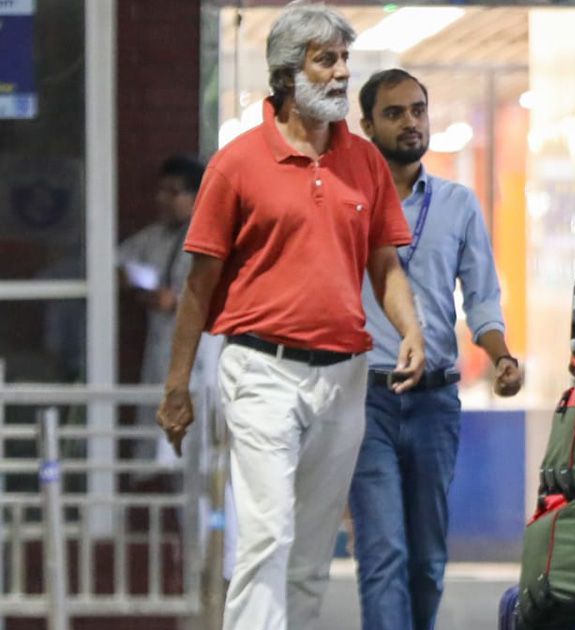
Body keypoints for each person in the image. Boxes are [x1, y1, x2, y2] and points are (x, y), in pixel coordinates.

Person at [153, 3, 425, 629]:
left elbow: (384, 263)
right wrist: (177, 385)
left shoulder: (364, 162)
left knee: (309, 553)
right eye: (326, 60)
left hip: (345, 375)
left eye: (344, 59)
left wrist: (410, 329)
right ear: (286, 74)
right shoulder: (236, 163)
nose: (342, 73)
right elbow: (199, 284)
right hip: (261, 370)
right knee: (267, 535)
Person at [349, 68, 523, 630]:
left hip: (435, 403)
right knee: (383, 554)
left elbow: (482, 299)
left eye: (418, 110)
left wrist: (501, 357)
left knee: (426, 561)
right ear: (367, 125)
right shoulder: (349, 204)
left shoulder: (457, 204)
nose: (410, 122)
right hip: (366, 399)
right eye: (394, 113)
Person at [118, 154, 222, 468]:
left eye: (173, 192)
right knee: (169, 450)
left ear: (197, 196)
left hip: (203, 354)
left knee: (202, 454)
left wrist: (175, 303)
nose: (162, 199)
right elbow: (117, 263)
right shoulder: (155, 236)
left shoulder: (216, 235)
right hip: (164, 349)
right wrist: (142, 289)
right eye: (161, 191)